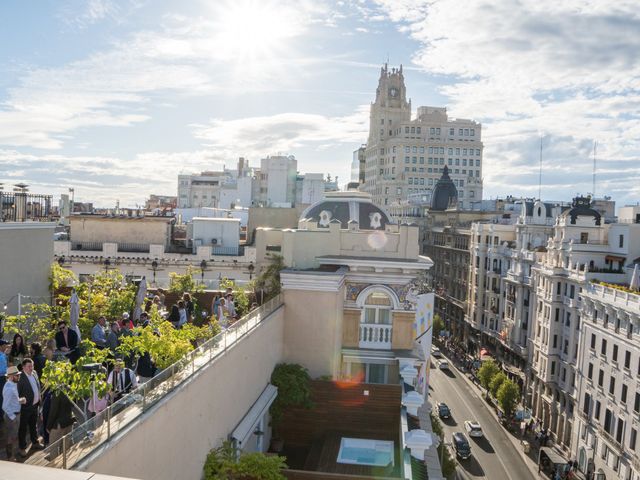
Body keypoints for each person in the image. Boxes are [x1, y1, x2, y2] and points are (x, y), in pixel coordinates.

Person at [17, 358, 43, 456]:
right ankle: (22, 447)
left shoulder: (35, 373)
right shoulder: (20, 378)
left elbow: (38, 387)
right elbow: (17, 394)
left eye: (32, 366)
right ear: (23, 367)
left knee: (34, 425)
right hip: (25, 408)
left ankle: (35, 442)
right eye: (29, 366)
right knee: (23, 428)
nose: (31, 368)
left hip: (35, 405)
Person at [2, 366, 26, 461]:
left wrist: (20, 400)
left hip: (16, 414)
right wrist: (13, 417)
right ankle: (10, 457)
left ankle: (11, 455)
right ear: (11, 376)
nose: (19, 376)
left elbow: (13, 400)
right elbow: (4, 406)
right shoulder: (9, 388)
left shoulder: (13, 384)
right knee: (11, 437)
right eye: (17, 375)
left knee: (13, 436)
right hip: (11, 416)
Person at [46, 389, 75, 455]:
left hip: (59, 425)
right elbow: (73, 404)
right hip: (69, 421)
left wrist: (48, 426)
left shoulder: (57, 392)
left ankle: (54, 465)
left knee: (54, 449)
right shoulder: (70, 389)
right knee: (66, 448)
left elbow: (53, 412)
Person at [0, 341, 9, 422]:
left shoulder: (3, 355)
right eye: (4, 345)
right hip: (1, 377)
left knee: (2, 396)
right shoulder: (1, 355)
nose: (6, 346)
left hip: (3, 377)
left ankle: (1, 414)